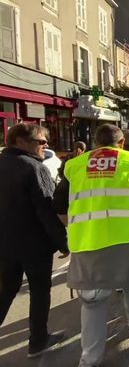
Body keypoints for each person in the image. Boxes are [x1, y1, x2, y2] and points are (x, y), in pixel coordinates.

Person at [54, 124, 129, 367]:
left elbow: (59, 205)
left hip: (88, 240)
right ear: (121, 143)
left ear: (95, 144)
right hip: (128, 238)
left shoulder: (75, 165)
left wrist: (77, 223)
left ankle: (89, 359)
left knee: (92, 300)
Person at [0, 124, 68, 359]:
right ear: (20, 141)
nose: (46, 145)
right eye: (40, 142)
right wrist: (64, 242)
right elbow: (46, 210)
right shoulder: (33, 167)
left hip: (5, 245)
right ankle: (38, 340)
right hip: (34, 245)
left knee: (6, 289)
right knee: (40, 291)